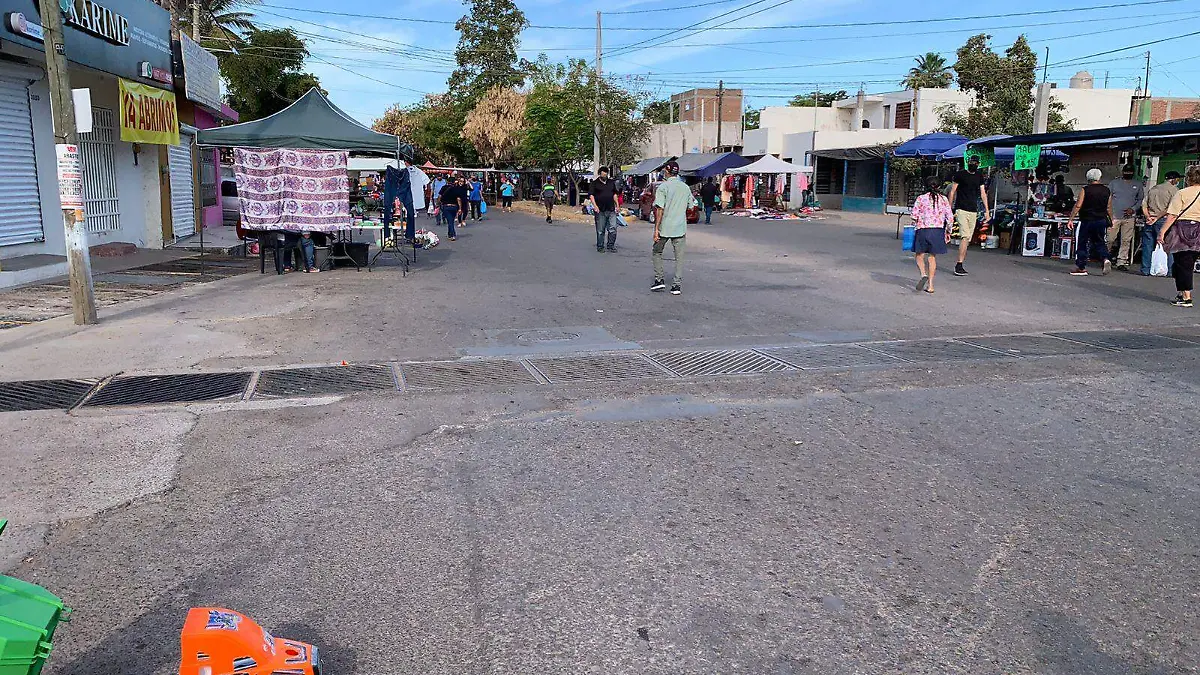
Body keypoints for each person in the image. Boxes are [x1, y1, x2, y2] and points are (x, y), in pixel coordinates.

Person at [1157, 165, 1200, 307]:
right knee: (1186, 263)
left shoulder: (1182, 193)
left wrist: (1162, 231)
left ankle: (1187, 297)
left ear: (1188, 178)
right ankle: (1181, 293)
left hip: (1181, 231)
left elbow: (1172, 215)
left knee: (1183, 263)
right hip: (1198, 230)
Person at [651, 160, 690, 295]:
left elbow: (659, 209)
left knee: (657, 252)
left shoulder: (663, 187)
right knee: (679, 257)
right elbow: (691, 205)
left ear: (666, 172)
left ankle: (659, 280)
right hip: (680, 227)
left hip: (665, 227)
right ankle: (676, 286)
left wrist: (656, 229)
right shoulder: (685, 188)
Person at [947, 156, 990, 276]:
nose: (973, 164)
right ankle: (959, 264)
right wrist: (949, 208)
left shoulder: (979, 176)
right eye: (971, 162)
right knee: (965, 236)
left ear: (978, 164)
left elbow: (983, 193)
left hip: (973, 210)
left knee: (968, 239)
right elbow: (952, 191)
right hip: (961, 209)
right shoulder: (960, 175)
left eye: (975, 163)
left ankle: (960, 263)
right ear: (968, 162)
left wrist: (987, 210)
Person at [911, 176, 954, 294]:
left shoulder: (921, 198)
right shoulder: (944, 199)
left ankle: (923, 274)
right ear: (939, 186)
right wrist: (948, 231)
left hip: (923, 230)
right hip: (937, 231)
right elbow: (950, 218)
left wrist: (914, 224)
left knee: (919, 255)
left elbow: (914, 216)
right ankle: (930, 285)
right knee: (932, 257)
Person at [1067, 168, 1113, 276]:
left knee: (1082, 242)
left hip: (1087, 220)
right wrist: (1111, 219)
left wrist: (1071, 219)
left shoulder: (1085, 190)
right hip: (1101, 220)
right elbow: (1109, 207)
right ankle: (1105, 258)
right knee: (1100, 241)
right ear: (1099, 177)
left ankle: (1081, 267)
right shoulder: (1106, 190)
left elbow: (1078, 205)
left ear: (1088, 178)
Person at [1141, 170, 1181, 276]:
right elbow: (1170, 208)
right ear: (1174, 180)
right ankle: (1169, 270)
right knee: (1168, 245)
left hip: (1149, 220)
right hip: (1163, 221)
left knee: (1147, 245)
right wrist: (1157, 217)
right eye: (1178, 179)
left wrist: (1148, 217)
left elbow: (1144, 205)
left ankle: (1146, 269)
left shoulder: (1153, 188)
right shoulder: (1175, 190)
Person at [1108, 165, 1145, 270]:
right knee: (1110, 238)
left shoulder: (1137, 184)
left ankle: (1121, 261)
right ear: (1123, 172)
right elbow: (1108, 198)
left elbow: (1140, 199)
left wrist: (1133, 209)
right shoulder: (1114, 183)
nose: (1128, 173)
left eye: (1130, 172)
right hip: (1114, 216)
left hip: (1129, 217)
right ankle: (1105, 257)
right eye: (1126, 171)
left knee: (1126, 240)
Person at [589, 166, 619, 252]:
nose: (604, 176)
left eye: (606, 174)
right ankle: (600, 246)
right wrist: (595, 206)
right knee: (600, 230)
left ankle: (611, 245)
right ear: (600, 174)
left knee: (613, 228)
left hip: (611, 209)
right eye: (603, 174)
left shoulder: (611, 183)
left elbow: (614, 194)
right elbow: (591, 195)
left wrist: (617, 205)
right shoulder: (594, 184)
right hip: (600, 210)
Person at [438, 176, 464, 241]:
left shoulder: (443, 188)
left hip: (446, 206)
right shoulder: (456, 189)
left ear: (447, 181)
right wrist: (460, 208)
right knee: (451, 221)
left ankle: (453, 235)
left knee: (450, 221)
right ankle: (450, 234)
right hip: (454, 207)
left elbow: (439, 196)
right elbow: (458, 199)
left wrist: (438, 203)